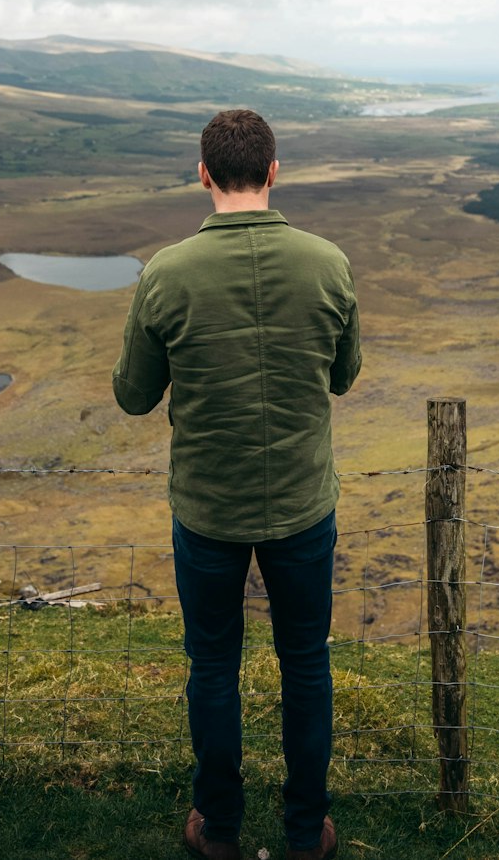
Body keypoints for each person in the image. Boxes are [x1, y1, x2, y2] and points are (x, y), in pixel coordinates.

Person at [112, 108, 361, 860]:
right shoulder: (329, 263)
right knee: (306, 663)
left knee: (213, 665)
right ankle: (303, 832)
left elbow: (133, 395)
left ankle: (218, 828)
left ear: (204, 174)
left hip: (209, 510)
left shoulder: (167, 272)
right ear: (274, 171)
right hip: (301, 504)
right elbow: (344, 377)